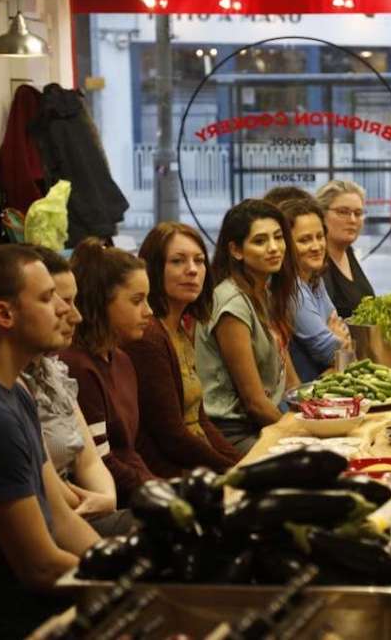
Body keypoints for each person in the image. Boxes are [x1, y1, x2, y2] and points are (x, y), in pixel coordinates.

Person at [0, 245, 100, 637]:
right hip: (9, 623)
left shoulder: (16, 390)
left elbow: (62, 520)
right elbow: (40, 567)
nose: (68, 311)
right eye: (47, 298)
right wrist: (130, 583)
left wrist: (120, 564)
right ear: (3, 315)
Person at [20, 246, 130, 537]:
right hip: (61, 521)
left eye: (73, 301)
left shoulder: (54, 370)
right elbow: (51, 496)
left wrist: (106, 498)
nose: (75, 315)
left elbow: (90, 459)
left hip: (85, 512)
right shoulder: (9, 385)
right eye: (57, 301)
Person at [125, 223, 241, 476]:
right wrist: (236, 472)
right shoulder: (148, 336)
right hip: (169, 473)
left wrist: (244, 464)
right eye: (178, 261)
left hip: (198, 460)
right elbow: (171, 436)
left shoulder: (181, 330)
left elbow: (200, 421)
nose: (192, 270)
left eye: (199, 261)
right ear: (153, 270)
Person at [196, 199, 299, 455]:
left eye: (278, 237)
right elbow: (254, 403)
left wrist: (316, 414)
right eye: (260, 241)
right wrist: (300, 435)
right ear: (236, 250)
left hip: (263, 423)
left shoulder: (264, 291)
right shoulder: (231, 303)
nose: (274, 248)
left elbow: (292, 383)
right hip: (234, 432)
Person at [60, 239, 158, 504]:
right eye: (137, 300)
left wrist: (162, 486)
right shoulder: (77, 366)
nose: (148, 311)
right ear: (101, 303)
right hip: (112, 501)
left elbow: (129, 452)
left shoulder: (123, 360)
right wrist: (164, 494)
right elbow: (105, 462)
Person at [279, 198, 351, 383]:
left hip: (325, 383)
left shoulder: (315, 279)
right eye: (304, 240)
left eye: (319, 237)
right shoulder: (291, 289)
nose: (316, 246)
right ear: (285, 244)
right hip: (305, 395)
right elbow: (330, 351)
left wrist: (336, 337)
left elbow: (343, 335)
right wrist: (336, 338)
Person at [315, 179, 375, 319]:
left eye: (358, 213)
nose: (353, 220)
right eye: (343, 212)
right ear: (321, 214)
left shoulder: (348, 252)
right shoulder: (316, 261)